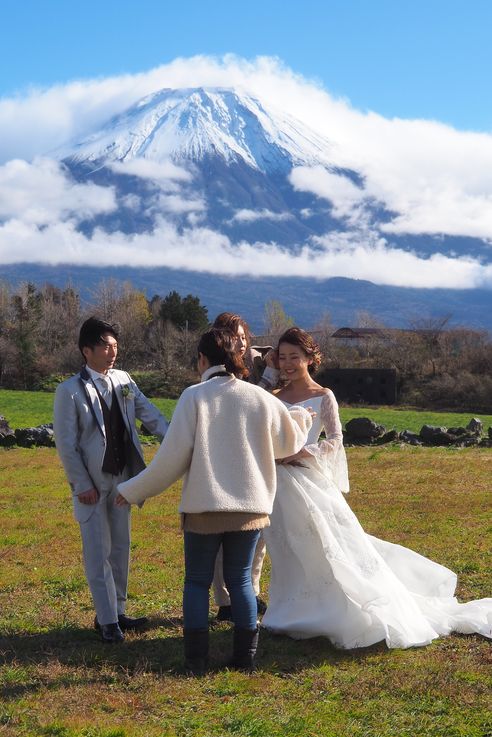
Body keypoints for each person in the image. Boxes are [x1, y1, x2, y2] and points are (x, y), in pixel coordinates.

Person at [262, 327, 492, 649]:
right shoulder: (272, 396)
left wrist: (302, 453)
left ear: (311, 359)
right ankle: (289, 609)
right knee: (288, 549)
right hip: (276, 483)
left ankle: (333, 610)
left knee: (323, 545)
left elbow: (337, 440)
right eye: (282, 358)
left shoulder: (323, 395)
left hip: (306, 478)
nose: (287, 364)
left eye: (294, 358)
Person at [115, 328, 312, 673]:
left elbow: (170, 460)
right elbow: (288, 444)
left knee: (196, 582)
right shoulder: (260, 398)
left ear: (203, 360)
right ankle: (245, 658)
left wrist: (130, 491)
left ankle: (196, 660)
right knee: (241, 582)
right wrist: (300, 418)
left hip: (205, 509)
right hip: (251, 510)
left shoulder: (194, 397)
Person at [53, 317, 169, 644]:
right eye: (105, 346)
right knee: (97, 549)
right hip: (91, 482)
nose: (112, 352)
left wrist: (180, 440)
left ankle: (118, 611)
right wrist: (81, 484)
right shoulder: (69, 391)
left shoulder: (124, 381)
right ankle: (105, 621)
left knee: (120, 545)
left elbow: (150, 415)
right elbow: (66, 443)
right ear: (86, 350)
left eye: (115, 346)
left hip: (123, 478)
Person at [211, 312, 280, 621]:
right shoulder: (218, 367)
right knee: (222, 533)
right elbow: (250, 402)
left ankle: (249, 591)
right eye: (232, 336)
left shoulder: (255, 361)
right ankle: (225, 601)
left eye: (242, 336)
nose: (238, 342)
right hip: (226, 457)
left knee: (257, 530)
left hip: (256, 457)